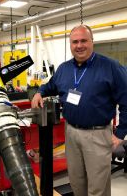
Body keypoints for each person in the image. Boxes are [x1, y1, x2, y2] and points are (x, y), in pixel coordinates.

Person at [31, 25, 127, 196]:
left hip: (97, 135)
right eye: (75, 42)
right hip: (71, 132)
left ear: (92, 42)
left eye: (84, 40)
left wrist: (120, 133)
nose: (79, 45)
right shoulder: (64, 69)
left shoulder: (111, 67)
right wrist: (40, 92)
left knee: (98, 188)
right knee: (76, 182)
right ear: (70, 44)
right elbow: (51, 85)